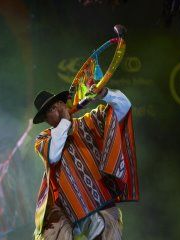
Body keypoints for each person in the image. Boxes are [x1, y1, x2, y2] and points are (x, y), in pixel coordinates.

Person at [33, 88, 139, 240]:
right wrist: (64, 119)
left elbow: (124, 107)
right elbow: (53, 156)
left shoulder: (89, 122)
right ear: (46, 119)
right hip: (64, 211)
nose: (58, 109)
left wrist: (105, 94)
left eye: (59, 104)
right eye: (51, 109)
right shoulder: (43, 139)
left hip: (98, 202)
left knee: (108, 227)